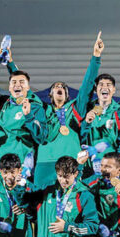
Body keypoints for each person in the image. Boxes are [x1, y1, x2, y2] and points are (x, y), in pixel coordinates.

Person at [34, 31, 104, 186]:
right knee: (41, 202)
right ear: (50, 94)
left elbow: (86, 87)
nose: (60, 87)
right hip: (45, 162)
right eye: (56, 87)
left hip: (72, 160)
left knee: (71, 203)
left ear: (67, 95)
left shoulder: (74, 108)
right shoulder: (42, 109)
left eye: (63, 87)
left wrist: (96, 57)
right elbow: (21, 86)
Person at [0, 41, 48, 176]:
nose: (17, 85)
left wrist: (29, 116)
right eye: (14, 83)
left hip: (21, 164)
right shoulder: (2, 103)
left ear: (28, 88)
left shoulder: (35, 107)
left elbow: (42, 138)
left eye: (22, 83)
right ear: (9, 87)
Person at [81, 72, 120, 177]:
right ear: (95, 90)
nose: (105, 87)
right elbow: (79, 137)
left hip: (110, 167)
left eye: (108, 85)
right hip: (88, 167)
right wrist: (86, 123)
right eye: (101, 85)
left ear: (114, 90)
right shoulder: (86, 110)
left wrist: (116, 163)